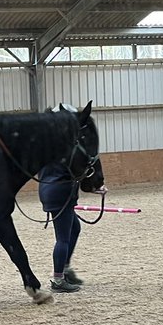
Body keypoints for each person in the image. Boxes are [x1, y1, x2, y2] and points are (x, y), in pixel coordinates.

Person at [37, 104, 103, 293]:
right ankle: (58, 279)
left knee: (75, 228)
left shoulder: (49, 143)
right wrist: (94, 187)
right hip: (60, 193)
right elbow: (75, 170)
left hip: (51, 191)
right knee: (63, 238)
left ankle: (64, 269)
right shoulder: (64, 146)